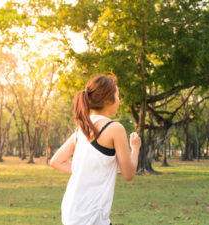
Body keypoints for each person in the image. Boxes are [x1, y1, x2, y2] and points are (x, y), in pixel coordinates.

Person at [50, 74, 141, 225]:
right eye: (117, 96)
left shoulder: (82, 129)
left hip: (72, 210)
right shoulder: (115, 128)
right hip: (91, 214)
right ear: (107, 100)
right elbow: (129, 174)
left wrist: (85, 170)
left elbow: (56, 161)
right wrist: (135, 148)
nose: (119, 101)